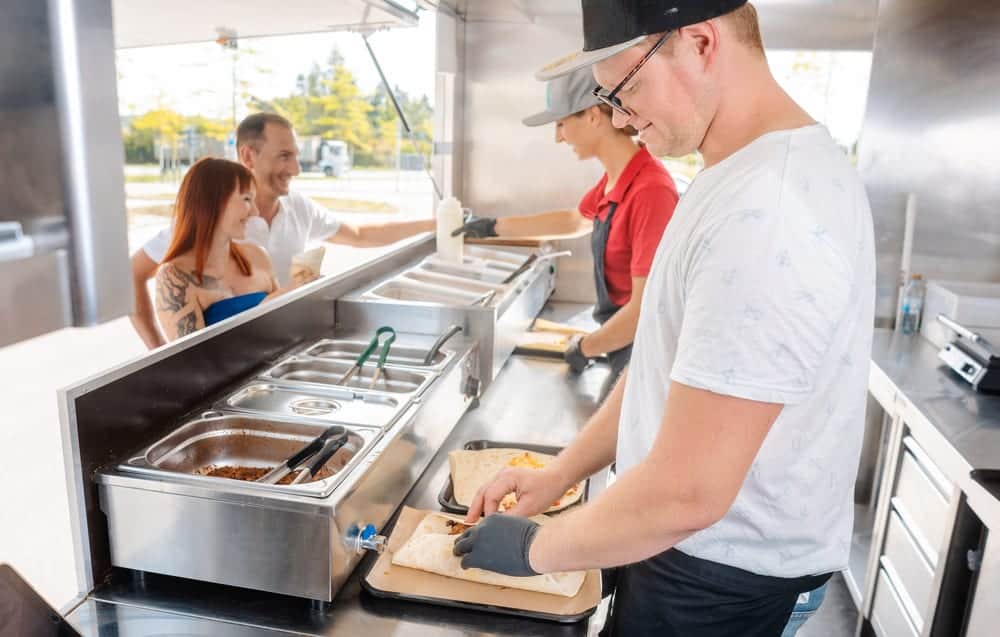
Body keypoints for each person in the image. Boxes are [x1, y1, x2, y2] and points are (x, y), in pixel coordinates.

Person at [450, 2, 875, 636]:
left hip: (720, 583)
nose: (620, 116)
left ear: (700, 42)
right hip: (683, 551)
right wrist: (562, 474)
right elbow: (668, 363)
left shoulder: (769, 209)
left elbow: (689, 493)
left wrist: (536, 548)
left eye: (626, 89)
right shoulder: (731, 175)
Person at [453, 67, 677, 400]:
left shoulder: (651, 191)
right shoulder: (619, 178)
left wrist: (585, 347)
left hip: (640, 355)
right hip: (619, 344)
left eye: (561, 123)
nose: (558, 137)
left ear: (591, 116)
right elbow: (574, 221)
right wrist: (493, 227)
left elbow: (644, 310)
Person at [131, 112, 434, 348]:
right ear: (249, 156)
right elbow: (133, 278)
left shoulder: (293, 213)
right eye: (284, 156)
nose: (296, 169)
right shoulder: (184, 255)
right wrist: (156, 351)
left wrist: (436, 225)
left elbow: (359, 235)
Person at [154, 157, 313, 341]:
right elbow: (195, 362)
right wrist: (278, 297)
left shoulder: (257, 256)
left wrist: (305, 295)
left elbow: (280, 330)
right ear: (212, 202)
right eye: (247, 199)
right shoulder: (173, 277)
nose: (255, 212)